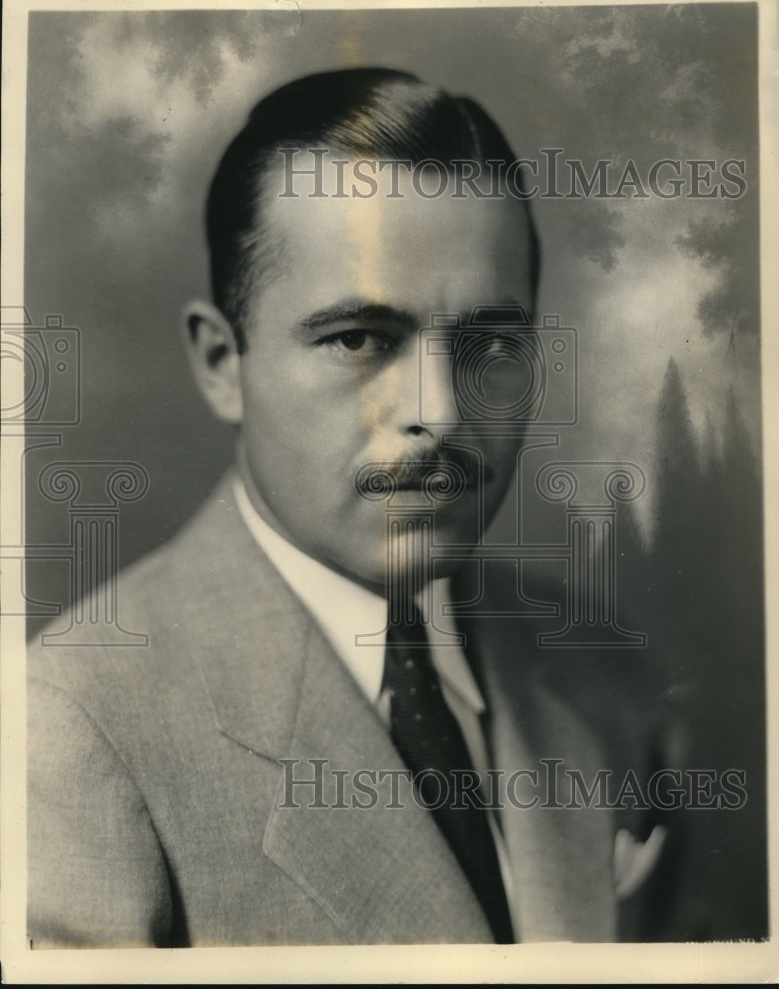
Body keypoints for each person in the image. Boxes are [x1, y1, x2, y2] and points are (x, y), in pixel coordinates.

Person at [27, 68, 676, 948]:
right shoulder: (68, 732)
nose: (440, 412)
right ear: (222, 362)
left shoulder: (603, 670)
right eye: (360, 339)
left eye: (489, 344)